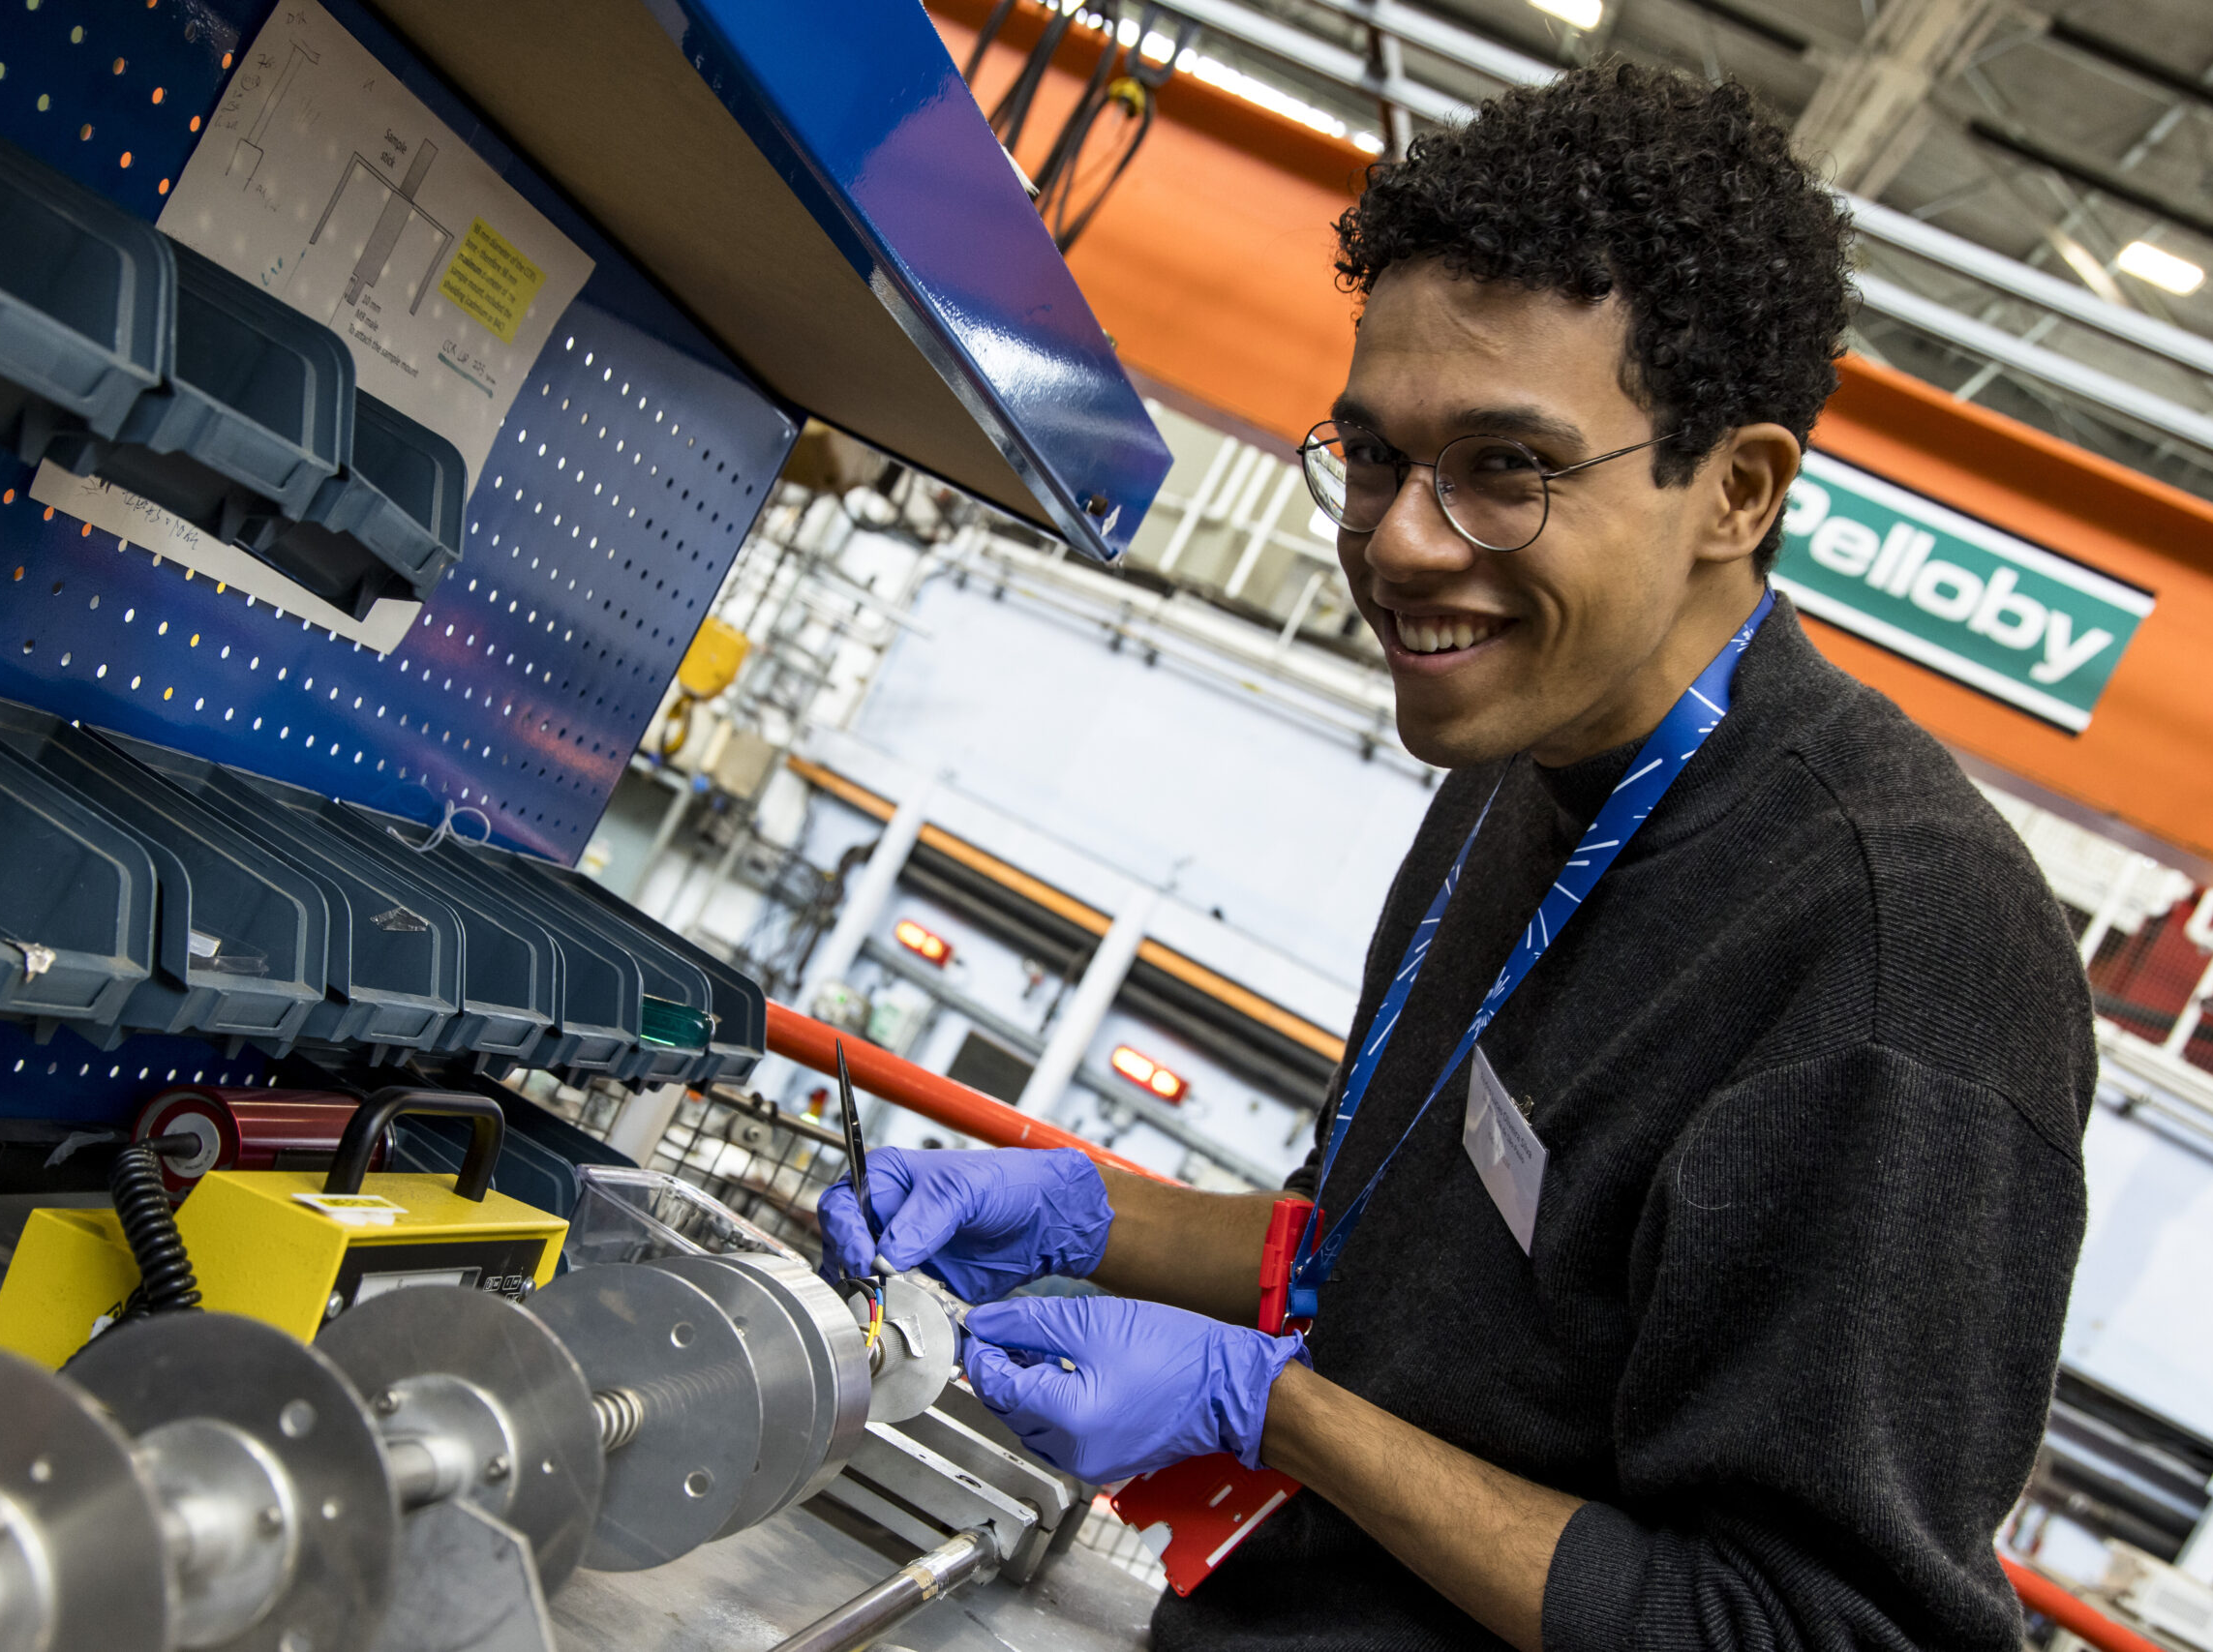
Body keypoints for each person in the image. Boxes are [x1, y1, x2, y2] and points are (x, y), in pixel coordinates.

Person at [820, 61, 2092, 1652]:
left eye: (1508, 469)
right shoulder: (1525, 756)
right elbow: (1401, 1271)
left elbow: (1807, 1627)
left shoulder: (1902, 953)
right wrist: (1088, 1216)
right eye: (1372, 459)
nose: (1405, 542)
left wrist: (1270, 1416)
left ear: (1736, 492)